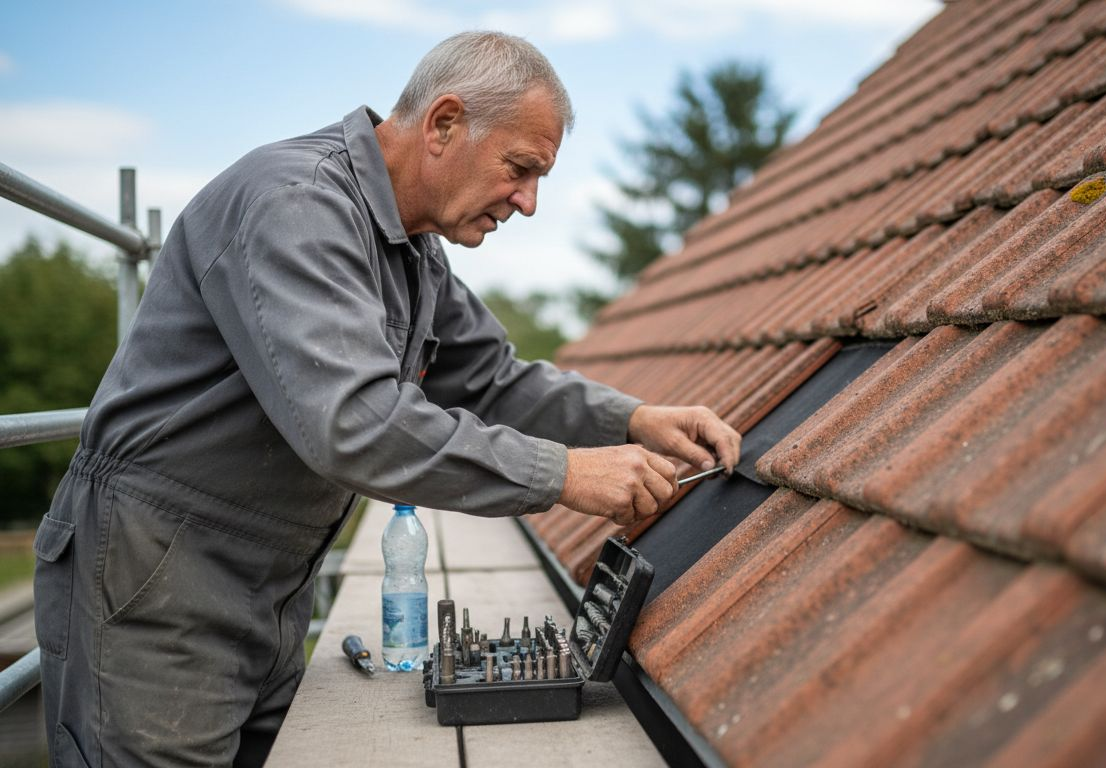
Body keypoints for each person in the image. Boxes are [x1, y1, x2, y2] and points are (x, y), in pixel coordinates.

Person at [32, 31, 741, 767]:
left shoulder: (412, 249)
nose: (528, 203)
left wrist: (632, 419)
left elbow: (495, 380)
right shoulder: (298, 204)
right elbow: (355, 424)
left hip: (270, 585)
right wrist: (567, 475)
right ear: (443, 124)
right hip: (159, 577)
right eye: (520, 168)